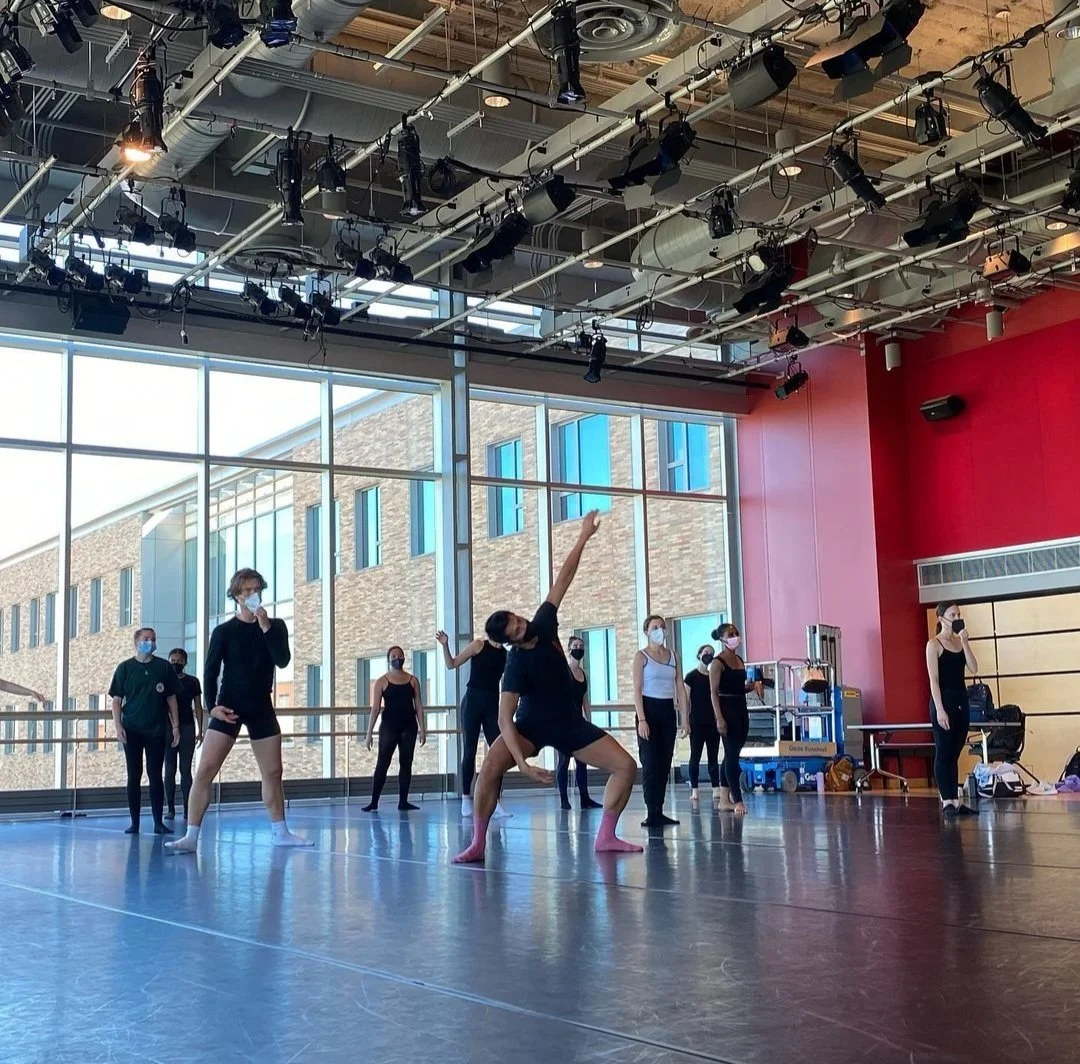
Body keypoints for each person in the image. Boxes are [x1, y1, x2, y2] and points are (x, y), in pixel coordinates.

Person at [453, 512, 642, 863]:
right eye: (514, 631)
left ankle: (606, 836)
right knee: (490, 767)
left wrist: (583, 536)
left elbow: (563, 579)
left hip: (569, 724)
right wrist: (522, 764)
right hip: (531, 727)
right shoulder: (515, 665)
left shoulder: (543, 622)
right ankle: (477, 843)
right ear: (508, 642)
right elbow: (505, 719)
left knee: (626, 767)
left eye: (518, 621)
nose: (521, 627)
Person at [166, 568, 311, 854]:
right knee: (205, 769)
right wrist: (212, 707)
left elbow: (282, 660)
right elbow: (210, 672)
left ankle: (280, 831)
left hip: (261, 706)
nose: (253, 594)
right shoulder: (224, 632)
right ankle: (191, 835)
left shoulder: (276, 626)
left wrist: (266, 627)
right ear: (236, 596)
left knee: (273, 771)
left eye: (257, 589)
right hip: (229, 706)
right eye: (247, 590)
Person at [109, 628, 180, 835]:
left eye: (153, 639)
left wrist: (175, 726)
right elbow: (116, 700)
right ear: (137, 642)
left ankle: (158, 822)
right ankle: (135, 823)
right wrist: (118, 725)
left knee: (155, 775)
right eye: (146, 639)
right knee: (134, 774)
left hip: (156, 729)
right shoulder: (125, 668)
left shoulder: (163, 667)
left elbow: (171, 698)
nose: (150, 642)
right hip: (132, 729)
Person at [435, 628, 511, 820]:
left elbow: (509, 683)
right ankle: (466, 799)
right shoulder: (479, 645)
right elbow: (451, 664)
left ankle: (496, 801)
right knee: (470, 750)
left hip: (492, 704)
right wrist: (445, 645)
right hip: (472, 702)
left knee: (499, 752)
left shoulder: (506, 655)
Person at [633, 614, 688, 828]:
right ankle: (651, 810)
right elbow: (637, 689)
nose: (660, 631)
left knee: (664, 762)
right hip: (648, 709)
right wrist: (642, 719)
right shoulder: (641, 657)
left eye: (662, 627)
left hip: (667, 710)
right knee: (650, 762)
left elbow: (680, 687)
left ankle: (659, 809)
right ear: (646, 631)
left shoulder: (674, 656)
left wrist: (685, 718)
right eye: (655, 627)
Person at [927, 602, 979, 818]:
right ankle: (946, 799)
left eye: (958, 614)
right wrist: (939, 709)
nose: (957, 618)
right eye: (952, 614)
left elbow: (974, 668)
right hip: (943, 701)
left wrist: (965, 643)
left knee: (955, 752)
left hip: (961, 701)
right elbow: (934, 679)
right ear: (941, 619)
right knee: (944, 751)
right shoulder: (934, 644)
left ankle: (955, 802)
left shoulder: (959, 642)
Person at [363, 647, 427, 812]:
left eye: (400, 655)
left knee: (406, 763)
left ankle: (403, 801)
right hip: (389, 727)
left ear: (404, 658)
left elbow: (419, 706)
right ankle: (374, 802)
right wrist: (369, 734)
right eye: (393, 656)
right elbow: (375, 709)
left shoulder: (413, 681)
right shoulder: (382, 681)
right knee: (382, 763)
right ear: (389, 659)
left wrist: (423, 729)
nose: (397, 658)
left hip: (409, 726)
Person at [709, 623, 760, 816]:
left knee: (732, 754)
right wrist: (719, 717)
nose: (735, 637)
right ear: (722, 639)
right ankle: (737, 799)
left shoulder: (739, 660)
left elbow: (738, 687)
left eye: (736, 633)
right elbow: (713, 692)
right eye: (730, 634)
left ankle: (724, 800)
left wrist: (753, 686)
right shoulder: (717, 663)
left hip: (741, 708)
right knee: (731, 756)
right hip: (726, 709)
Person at [555, 635, 603, 811]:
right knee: (564, 761)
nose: (578, 648)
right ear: (569, 650)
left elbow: (584, 700)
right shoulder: (563, 672)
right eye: (575, 646)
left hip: (579, 723)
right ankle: (564, 799)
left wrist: (589, 721)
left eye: (581, 646)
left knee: (582, 760)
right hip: (563, 723)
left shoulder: (583, 674)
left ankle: (585, 798)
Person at [164, 648, 203, 823]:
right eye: (173, 661)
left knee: (185, 770)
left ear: (185, 663)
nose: (176, 664)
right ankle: (170, 808)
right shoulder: (165, 681)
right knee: (169, 769)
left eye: (179, 661)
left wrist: (200, 729)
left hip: (187, 727)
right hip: (168, 729)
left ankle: (188, 808)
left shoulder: (193, 682)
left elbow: (198, 706)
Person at [684, 643, 721, 806]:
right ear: (699, 654)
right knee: (695, 756)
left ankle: (716, 788)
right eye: (706, 652)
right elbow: (686, 702)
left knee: (713, 757)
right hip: (697, 723)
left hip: (712, 723)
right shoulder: (691, 676)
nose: (708, 655)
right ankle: (695, 789)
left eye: (711, 653)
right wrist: (685, 722)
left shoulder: (714, 677)